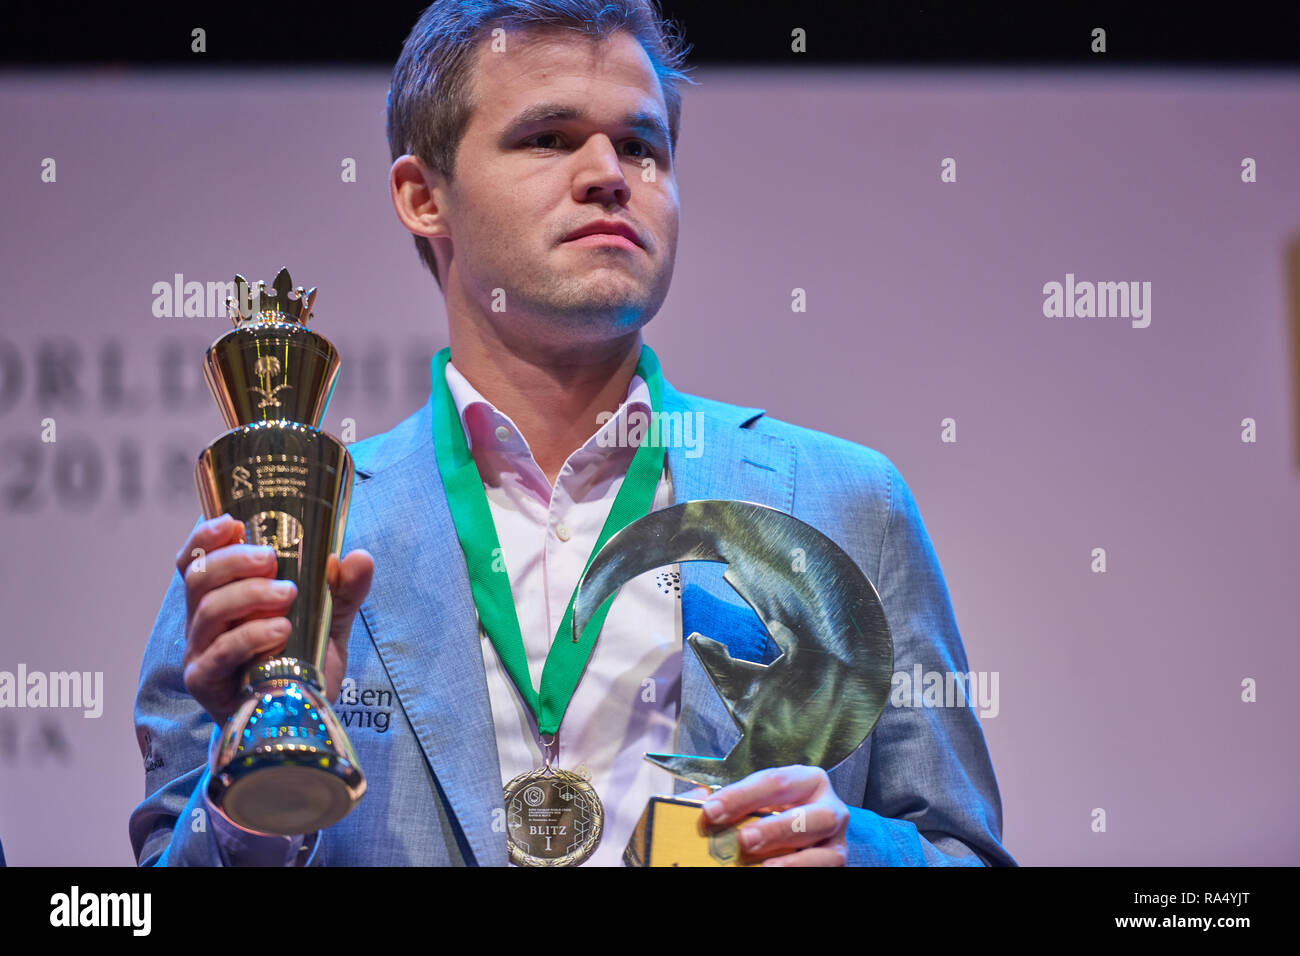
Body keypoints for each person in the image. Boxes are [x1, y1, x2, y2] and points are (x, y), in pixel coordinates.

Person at [131, 0, 1015, 867]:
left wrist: (853, 855)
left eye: (641, 145)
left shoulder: (846, 503)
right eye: (548, 138)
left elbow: (963, 851)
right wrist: (256, 795)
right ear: (421, 196)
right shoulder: (287, 537)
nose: (610, 174)